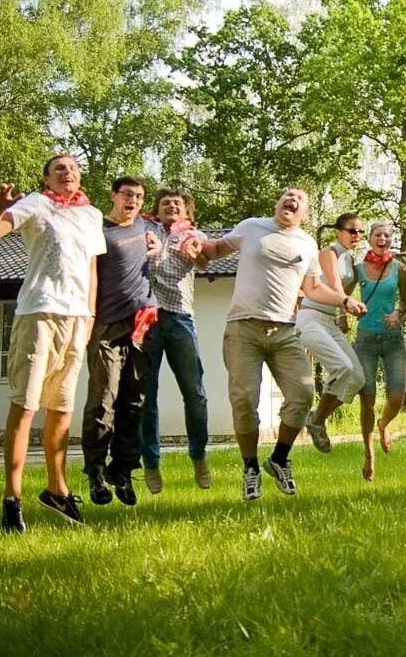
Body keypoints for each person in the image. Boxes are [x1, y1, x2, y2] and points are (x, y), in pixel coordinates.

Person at [197, 189, 366, 500]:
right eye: (287, 196)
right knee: (244, 400)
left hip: (285, 331)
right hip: (243, 329)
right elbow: (212, 251)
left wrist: (344, 300)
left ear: (304, 212)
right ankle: (250, 467)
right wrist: (193, 244)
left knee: (302, 394)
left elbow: (313, 288)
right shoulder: (251, 227)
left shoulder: (306, 243)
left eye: (300, 198)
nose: (292, 200)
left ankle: (278, 458)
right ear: (277, 204)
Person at [0, 154, 105, 532]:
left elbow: (92, 270)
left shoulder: (91, 214)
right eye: (60, 169)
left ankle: (57, 491)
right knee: (26, 406)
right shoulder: (36, 203)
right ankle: (11, 500)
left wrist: (90, 318)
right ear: (47, 178)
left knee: (62, 409)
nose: (69, 172)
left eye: (73, 168)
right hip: (38, 314)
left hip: (76, 320)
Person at [81, 176, 160, 508]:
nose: (134, 201)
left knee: (134, 403)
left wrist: (164, 247)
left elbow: (184, 230)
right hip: (106, 325)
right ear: (113, 195)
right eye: (127, 194)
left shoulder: (147, 226)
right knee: (103, 399)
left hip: (141, 326)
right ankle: (96, 472)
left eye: (140, 196)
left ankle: (123, 470)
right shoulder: (98, 230)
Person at [140, 188, 212, 494]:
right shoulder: (142, 229)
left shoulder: (193, 235)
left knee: (195, 393)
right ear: (156, 209)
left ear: (186, 212)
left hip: (180, 317)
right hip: (145, 318)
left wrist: (195, 254)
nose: (171, 205)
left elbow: (202, 262)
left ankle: (198, 456)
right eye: (165, 202)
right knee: (145, 396)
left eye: (177, 203)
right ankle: (151, 463)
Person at [301, 213, 372, 478]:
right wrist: (346, 305)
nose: (357, 236)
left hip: (330, 320)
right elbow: (333, 285)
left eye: (361, 232)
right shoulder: (328, 253)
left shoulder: (352, 261)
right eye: (352, 231)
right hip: (310, 318)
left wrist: (344, 314)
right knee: (342, 367)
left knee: (356, 377)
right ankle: (315, 419)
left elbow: (348, 290)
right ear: (338, 232)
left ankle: (316, 420)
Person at [355, 222, 406, 473]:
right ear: (369, 239)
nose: (383, 238)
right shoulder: (358, 268)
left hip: (393, 339)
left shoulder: (400, 269)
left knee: (396, 396)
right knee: (367, 398)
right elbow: (341, 294)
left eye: (387, 235)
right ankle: (369, 454)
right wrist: (341, 314)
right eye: (378, 235)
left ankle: (383, 425)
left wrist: (398, 316)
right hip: (366, 339)